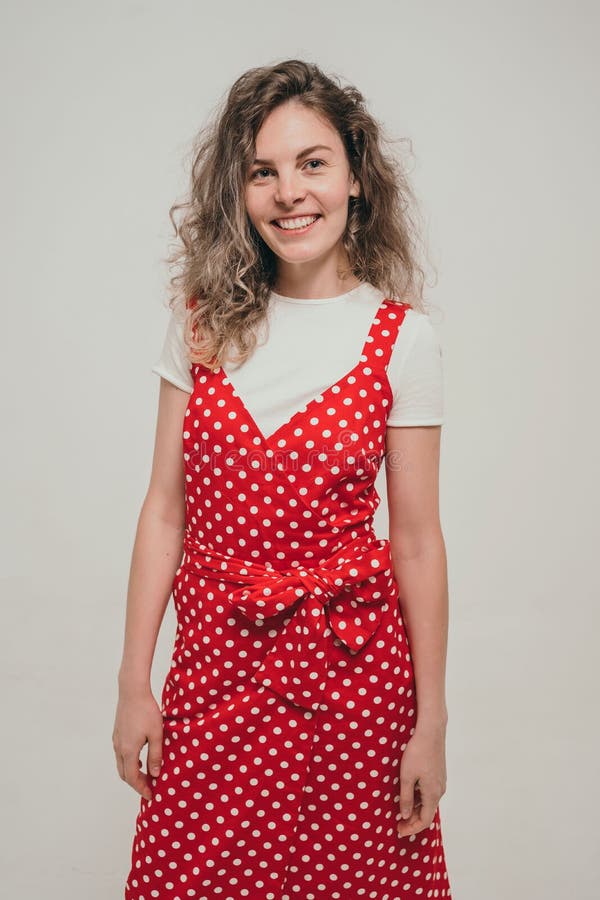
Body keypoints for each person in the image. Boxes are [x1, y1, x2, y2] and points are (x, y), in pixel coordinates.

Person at [113, 58, 453, 900]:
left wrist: (431, 721)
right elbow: (165, 512)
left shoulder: (402, 340)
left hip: (355, 679)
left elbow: (415, 538)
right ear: (240, 190)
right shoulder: (198, 322)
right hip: (216, 667)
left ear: (356, 178)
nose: (289, 192)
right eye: (263, 171)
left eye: (312, 163)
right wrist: (133, 684)